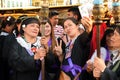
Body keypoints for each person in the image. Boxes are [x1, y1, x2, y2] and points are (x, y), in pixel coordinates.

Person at [0, 16, 16, 80]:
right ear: (7, 26)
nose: (13, 28)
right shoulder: (8, 38)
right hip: (5, 67)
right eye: (12, 26)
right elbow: (6, 55)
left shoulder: (2, 35)